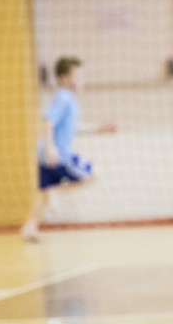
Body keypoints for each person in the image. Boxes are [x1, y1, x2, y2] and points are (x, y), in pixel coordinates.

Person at [20, 57, 115, 241]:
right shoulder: (65, 97)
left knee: (43, 192)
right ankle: (55, 191)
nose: (80, 80)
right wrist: (51, 147)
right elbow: (47, 121)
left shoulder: (68, 99)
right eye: (76, 76)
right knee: (95, 173)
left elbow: (73, 127)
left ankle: (29, 227)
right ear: (64, 78)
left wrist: (99, 129)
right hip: (58, 156)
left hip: (44, 155)